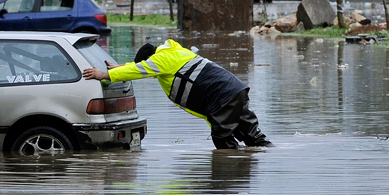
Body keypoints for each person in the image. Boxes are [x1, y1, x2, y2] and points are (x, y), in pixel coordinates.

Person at [82, 40, 274, 149]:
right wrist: (121, 67)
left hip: (222, 98)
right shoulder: (174, 54)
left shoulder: (162, 59)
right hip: (235, 90)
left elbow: (140, 70)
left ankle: (229, 176)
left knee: (223, 141)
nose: (150, 72)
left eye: (148, 66)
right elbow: (140, 68)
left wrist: (105, 75)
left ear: (151, 59)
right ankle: (257, 165)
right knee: (254, 138)